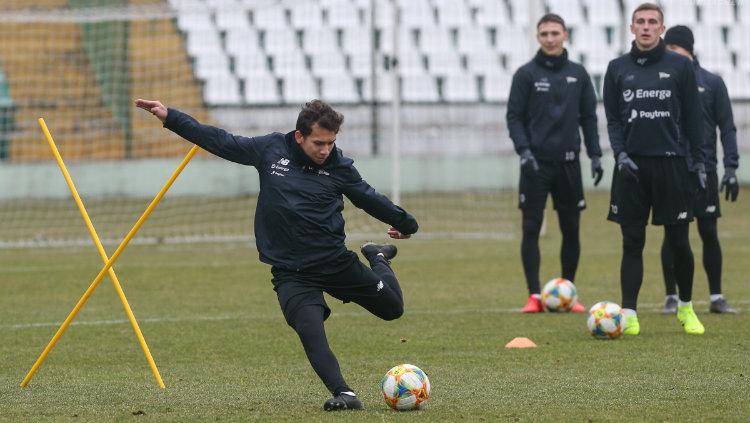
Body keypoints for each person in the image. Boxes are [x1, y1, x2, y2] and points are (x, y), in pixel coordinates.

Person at [135, 98, 418, 411]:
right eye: (319, 143)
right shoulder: (271, 149)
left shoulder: (339, 167)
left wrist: (407, 224)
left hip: (335, 262)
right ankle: (345, 394)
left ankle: (377, 256)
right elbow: (221, 141)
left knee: (393, 310)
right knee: (310, 329)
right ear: (299, 136)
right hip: (292, 272)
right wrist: (170, 116)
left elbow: (369, 199)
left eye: (331, 142)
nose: (326, 150)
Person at [603, 3, 707, 335]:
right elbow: (614, 120)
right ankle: (629, 315)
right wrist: (620, 154)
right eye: (640, 22)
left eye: (652, 22)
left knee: (678, 241)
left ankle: (686, 308)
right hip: (631, 168)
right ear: (631, 28)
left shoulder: (680, 66)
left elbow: (693, 118)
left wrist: (699, 162)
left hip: (671, 164)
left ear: (661, 29)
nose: (646, 27)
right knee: (632, 242)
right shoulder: (617, 68)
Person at [506, 13, 603, 313]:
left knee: (571, 229)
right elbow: (514, 117)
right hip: (535, 164)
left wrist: (595, 154)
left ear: (565, 35)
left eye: (555, 33)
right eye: (544, 33)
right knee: (531, 227)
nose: (550, 38)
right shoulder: (526, 74)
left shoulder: (579, 74)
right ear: (538, 37)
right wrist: (524, 151)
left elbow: (588, 117)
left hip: (569, 164)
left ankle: (567, 293)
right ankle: (534, 296)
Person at [660, 25, 740, 314]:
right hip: (670, 166)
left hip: (704, 168)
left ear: (689, 50)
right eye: (667, 50)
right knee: (672, 232)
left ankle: (716, 297)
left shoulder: (712, 83)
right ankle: (671, 296)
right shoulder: (662, 81)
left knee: (708, 230)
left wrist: (731, 166)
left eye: (675, 49)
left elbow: (727, 128)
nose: (671, 55)